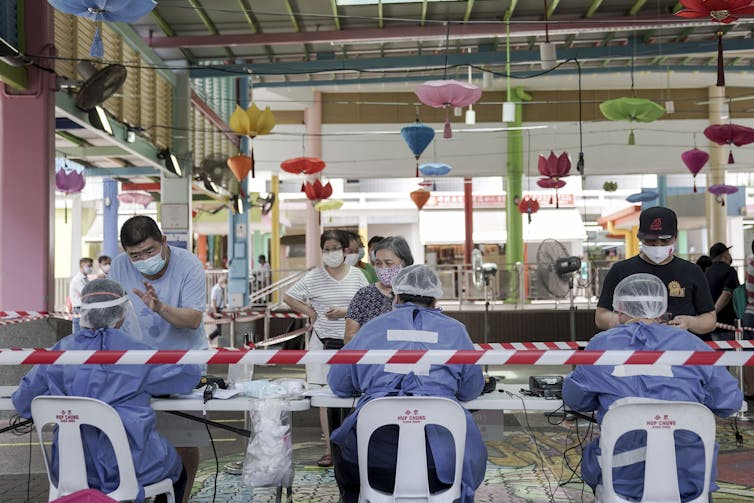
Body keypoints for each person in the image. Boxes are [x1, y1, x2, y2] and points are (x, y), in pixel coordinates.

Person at [12, 279, 201, 503]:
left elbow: (23, 402)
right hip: (132, 467)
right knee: (178, 470)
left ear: (84, 313)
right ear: (122, 314)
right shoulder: (138, 353)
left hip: (70, 470)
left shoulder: (59, 351)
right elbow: (188, 377)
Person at [564, 273, 742, 502]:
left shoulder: (602, 345)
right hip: (689, 477)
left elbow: (575, 399)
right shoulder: (693, 345)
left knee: (593, 456)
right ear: (662, 309)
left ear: (619, 310)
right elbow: (729, 402)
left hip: (622, 478)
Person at [328, 265, 487, 503]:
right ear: (435, 300)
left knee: (347, 451)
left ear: (396, 296)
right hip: (443, 466)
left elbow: (338, 383)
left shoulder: (372, 328)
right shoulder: (456, 331)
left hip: (372, 463)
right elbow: (472, 388)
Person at [108, 215, 208, 503]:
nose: (142, 260)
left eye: (150, 251)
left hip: (182, 366)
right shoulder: (119, 266)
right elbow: (115, 314)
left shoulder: (188, 265)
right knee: (136, 438)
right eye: (135, 255)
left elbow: (193, 319)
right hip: (135, 367)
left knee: (183, 442)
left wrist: (160, 307)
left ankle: (182, 498)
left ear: (164, 242)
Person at [283, 229, 368, 467]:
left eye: (335, 249)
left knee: (354, 393)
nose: (331, 253)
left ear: (345, 251)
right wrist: (311, 312)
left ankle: (353, 446)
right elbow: (288, 297)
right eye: (326, 249)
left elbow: (368, 304)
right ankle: (329, 449)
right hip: (322, 341)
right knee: (323, 395)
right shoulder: (314, 277)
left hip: (352, 342)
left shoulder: (358, 276)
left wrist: (345, 312)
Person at [595, 206, 716, 336]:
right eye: (651, 240)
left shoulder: (692, 272)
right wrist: (624, 321)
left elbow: (710, 319)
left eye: (665, 240)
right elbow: (600, 316)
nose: (658, 245)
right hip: (633, 347)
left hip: (679, 349)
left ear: (675, 237)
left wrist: (690, 322)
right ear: (640, 237)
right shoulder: (620, 270)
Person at [344, 236, 414, 344]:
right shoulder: (364, 295)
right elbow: (349, 339)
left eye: (389, 263)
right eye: (378, 263)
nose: (383, 268)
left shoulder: (416, 295)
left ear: (404, 264)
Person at [705, 242, 740, 341]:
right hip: (727, 325)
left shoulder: (707, 272)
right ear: (724, 255)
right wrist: (713, 314)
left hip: (711, 326)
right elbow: (727, 294)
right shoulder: (730, 271)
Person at [69, 257, 94, 332]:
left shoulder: (85, 279)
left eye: (91, 266)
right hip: (79, 309)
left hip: (84, 308)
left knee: (86, 333)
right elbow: (87, 293)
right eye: (88, 266)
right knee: (80, 334)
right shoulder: (78, 280)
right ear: (81, 266)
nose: (90, 268)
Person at [207, 276, 227, 342]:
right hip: (216, 309)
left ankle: (210, 338)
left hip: (220, 309)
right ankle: (210, 337)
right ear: (221, 282)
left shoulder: (221, 288)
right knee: (220, 328)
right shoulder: (215, 289)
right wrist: (215, 312)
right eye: (225, 283)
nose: (226, 284)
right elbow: (213, 300)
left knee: (221, 327)